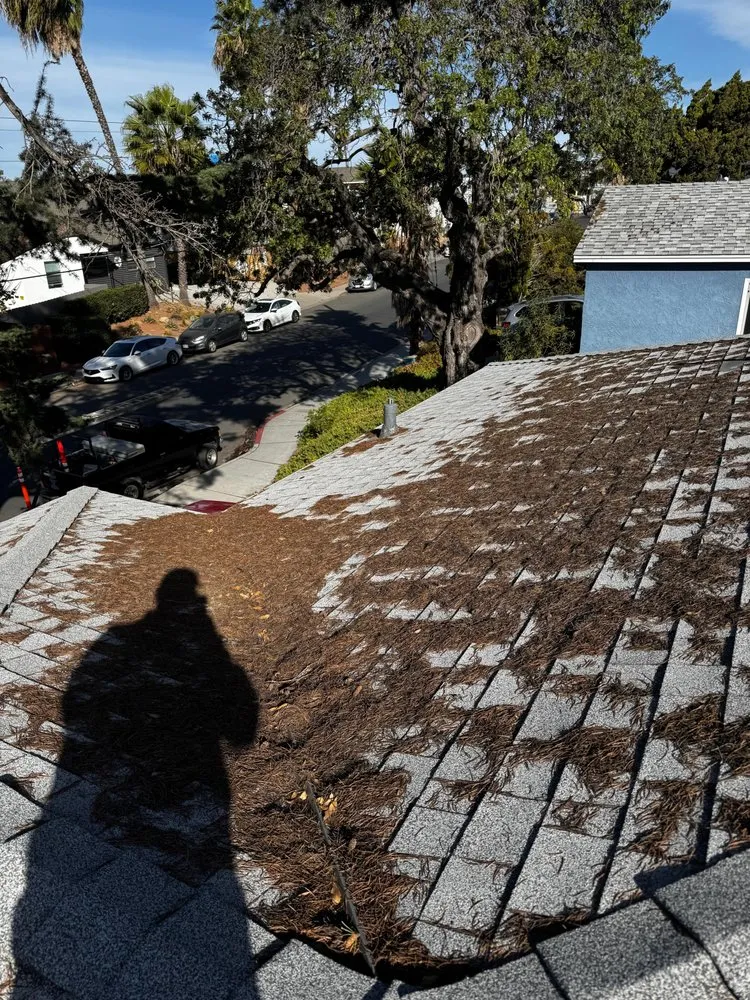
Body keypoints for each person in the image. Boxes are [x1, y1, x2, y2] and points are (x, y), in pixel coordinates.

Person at [11, 568, 261, 998]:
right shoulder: (200, 649)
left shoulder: (118, 639)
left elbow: (78, 703)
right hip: (196, 783)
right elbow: (242, 732)